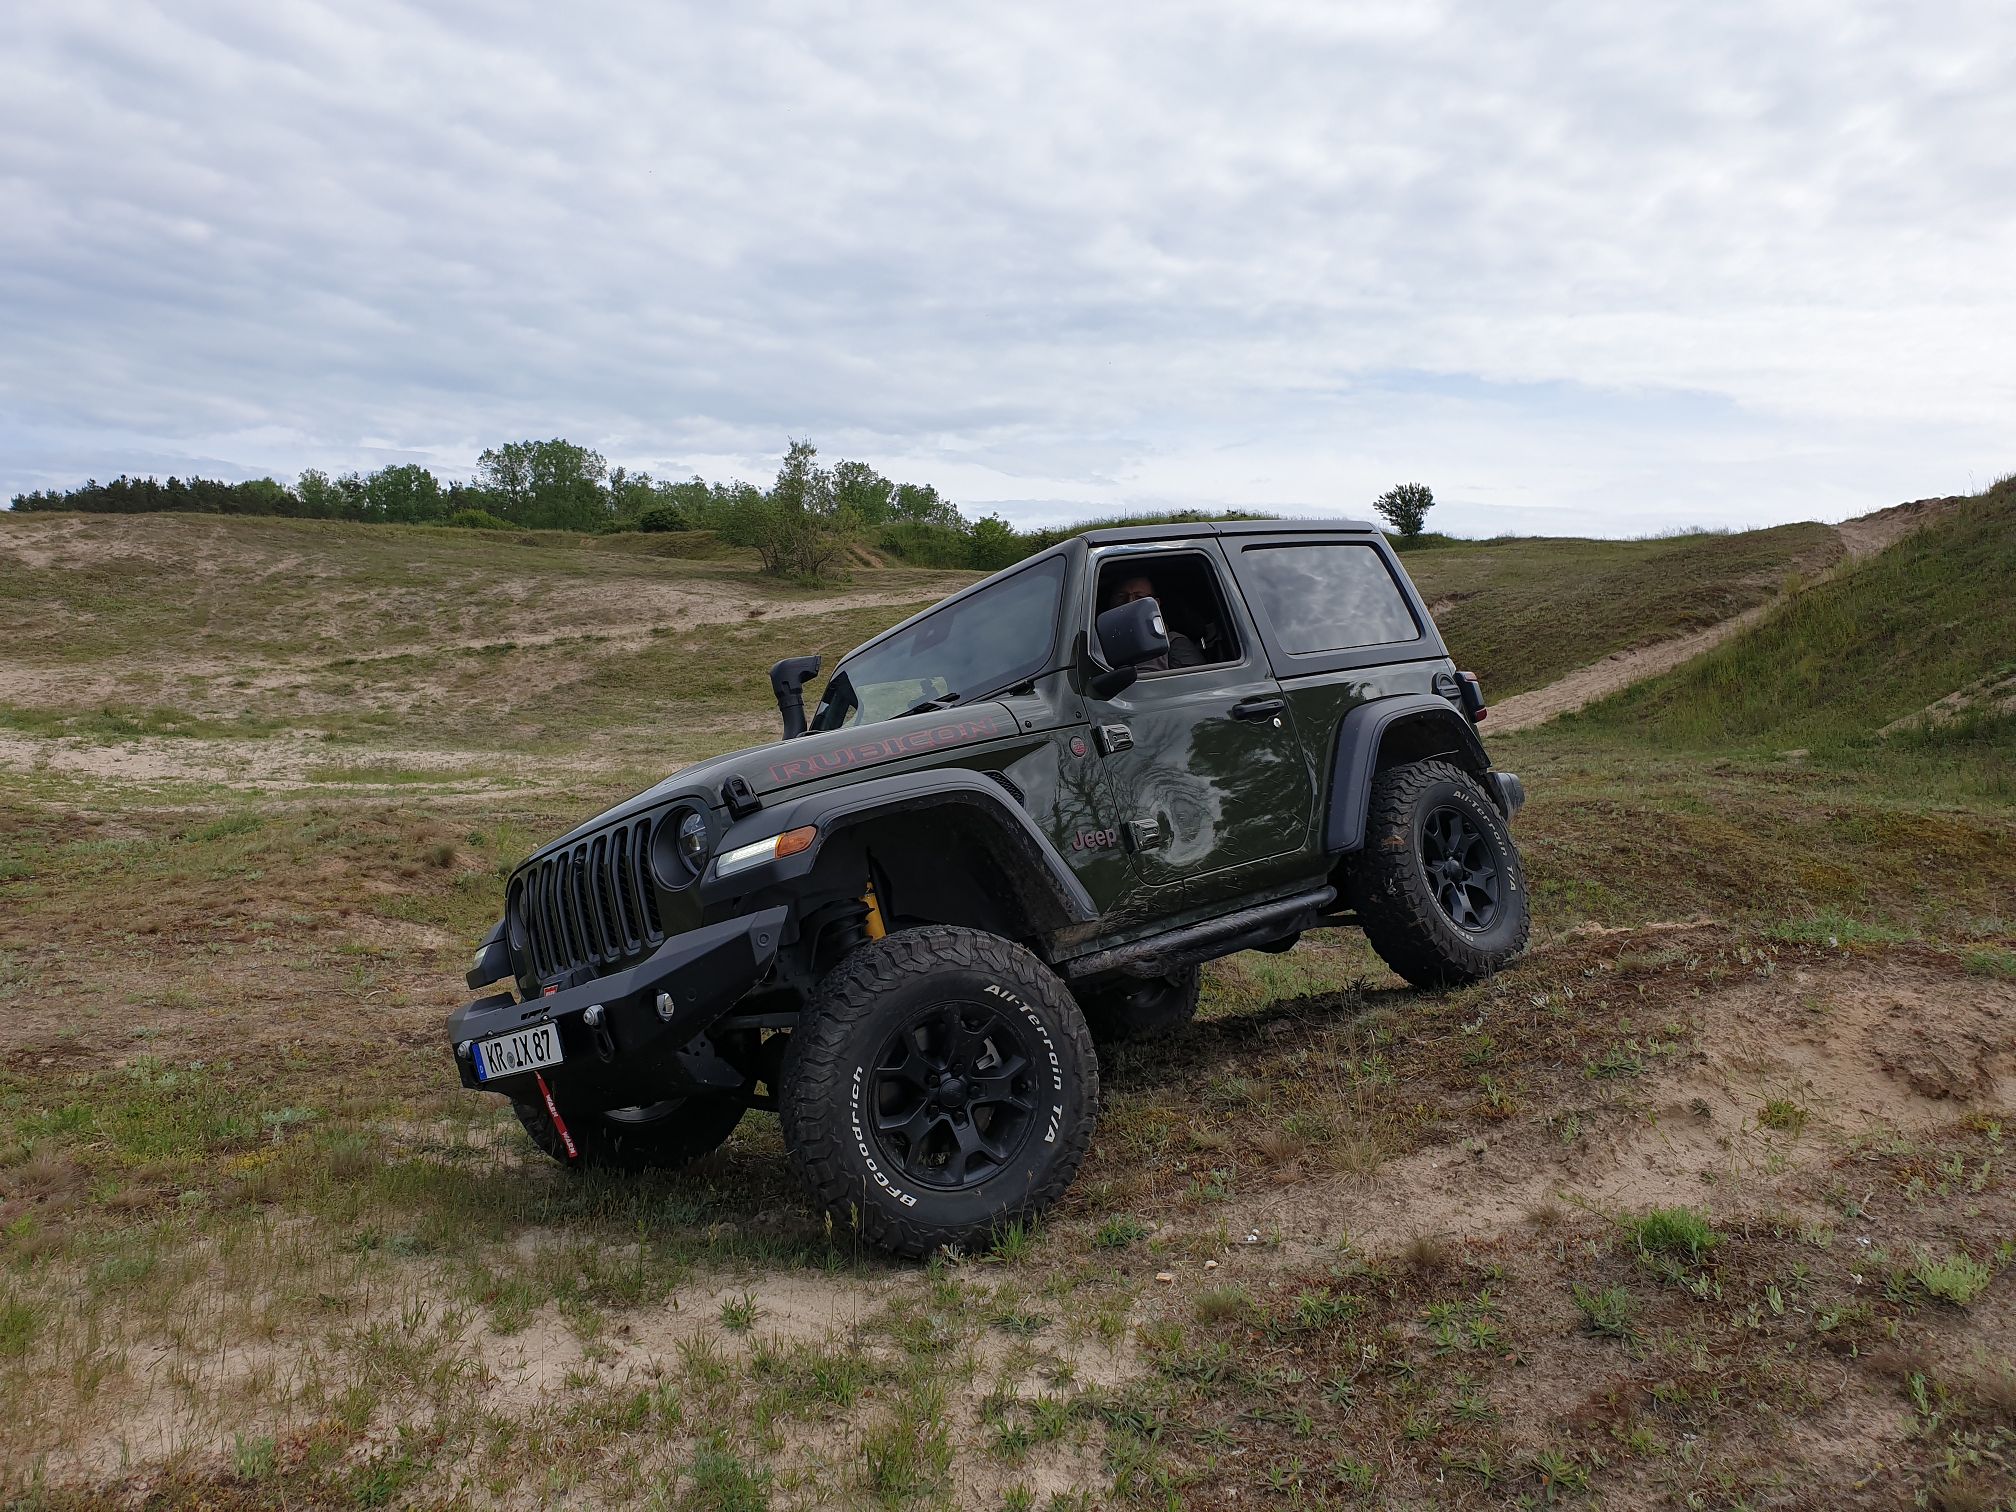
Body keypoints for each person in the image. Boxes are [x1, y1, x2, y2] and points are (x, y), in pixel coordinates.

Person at [1108, 574, 1206, 670]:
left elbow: (1198, 683)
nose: (1130, 602)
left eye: (1139, 597)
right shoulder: (1097, 641)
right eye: (1121, 596)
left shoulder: (1173, 643)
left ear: (1156, 604)